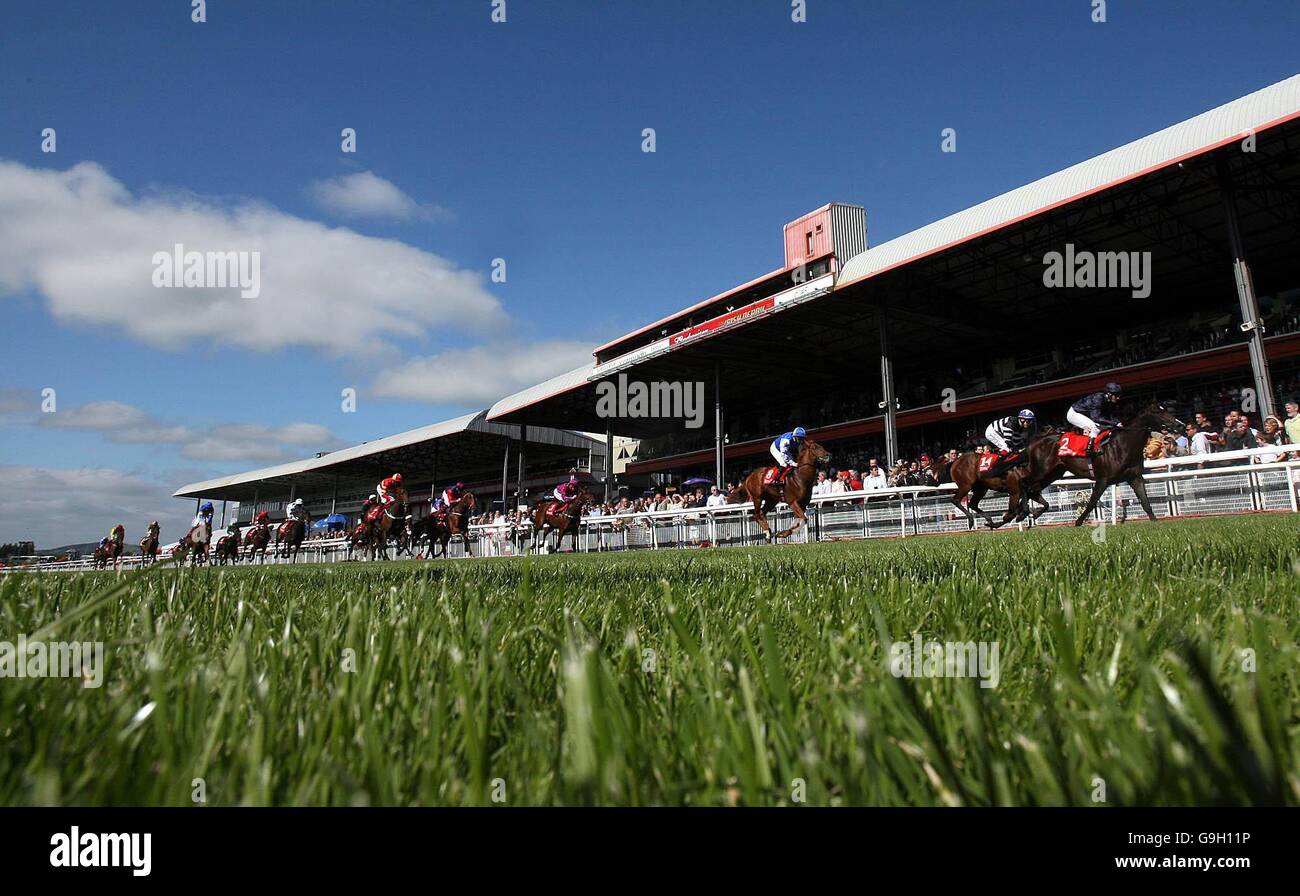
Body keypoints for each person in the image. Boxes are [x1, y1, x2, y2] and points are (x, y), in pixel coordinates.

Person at [1068, 383, 1124, 452]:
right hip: (1074, 413)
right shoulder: (1098, 399)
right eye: (1116, 395)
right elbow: (1096, 418)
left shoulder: (1108, 401)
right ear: (1109, 394)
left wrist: (1117, 422)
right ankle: (1088, 451)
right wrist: (1113, 423)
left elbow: (1109, 417)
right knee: (1094, 427)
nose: (1118, 398)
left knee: (1105, 427)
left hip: (1085, 414)